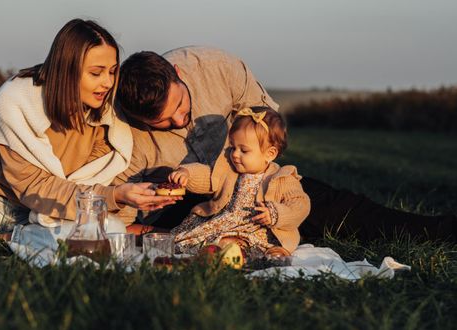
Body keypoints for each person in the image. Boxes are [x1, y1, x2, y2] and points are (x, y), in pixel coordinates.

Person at [114, 46, 456, 243]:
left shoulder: (216, 68)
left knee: (325, 205)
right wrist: (163, 232)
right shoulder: (128, 136)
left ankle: (435, 230)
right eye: (162, 123)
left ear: (178, 72)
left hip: (252, 177)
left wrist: (247, 162)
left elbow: (268, 124)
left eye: (179, 106)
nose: (179, 121)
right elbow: (122, 220)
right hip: (190, 205)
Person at [0, 19, 176, 263]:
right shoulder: (17, 100)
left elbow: (81, 199)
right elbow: (36, 187)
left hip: (48, 220)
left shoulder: (110, 122)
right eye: (96, 73)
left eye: (112, 71)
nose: (108, 82)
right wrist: (115, 195)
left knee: (110, 230)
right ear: (67, 69)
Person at [168, 107, 310, 258]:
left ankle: (268, 254)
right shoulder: (229, 168)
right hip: (226, 223)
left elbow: (300, 204)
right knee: (199, 240)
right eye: (233, 147)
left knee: (267, 248)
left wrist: (275, 214)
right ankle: (222, 253)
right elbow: (208, 177)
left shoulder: (283, 177)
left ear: (270, 154)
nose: (235, 154)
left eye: (244, 150)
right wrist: (187, 174)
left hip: (260, 229)